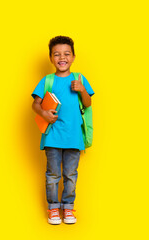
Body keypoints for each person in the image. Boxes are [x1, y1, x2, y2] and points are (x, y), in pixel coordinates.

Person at [31, 36, 94, 224]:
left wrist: (82, 89)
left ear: (73, 57)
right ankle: (53, 208)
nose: (62, 57)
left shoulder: (79, 79)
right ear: (51, 58)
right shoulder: (47, 80)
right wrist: (43, 113)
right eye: (57, 54)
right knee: (52, 174)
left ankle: (67, 208)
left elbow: (88, 103)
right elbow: (35, 104)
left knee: (70, 174)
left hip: (74, 137)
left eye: (67, 54)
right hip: (52, 136)